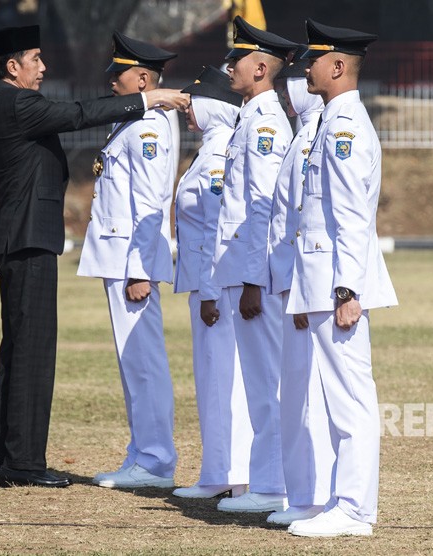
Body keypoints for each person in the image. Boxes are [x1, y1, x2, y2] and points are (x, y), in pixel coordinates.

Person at [0, 25, 189, 488]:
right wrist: (149, 100)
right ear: (13, 67)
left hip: (24, 236)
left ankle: (5, 458)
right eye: (35, 58)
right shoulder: (15, 101)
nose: (44, 66)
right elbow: (75, 114)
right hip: (27, 238)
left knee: (19, 351)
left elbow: (152, 197)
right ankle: (24, 464)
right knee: (30, 353)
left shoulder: (4, 99)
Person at [285, 19, 398, 537]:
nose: (306, 66)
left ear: (337, 66)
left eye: (314, 58)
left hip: (336, 282)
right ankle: (340, 501)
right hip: (324, 279)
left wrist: (347, 289)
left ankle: (354, 509)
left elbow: (351, 215)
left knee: (350, 397)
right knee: (333, 396)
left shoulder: (346, 125)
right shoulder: (332, 120)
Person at [199, 16, 296, 513]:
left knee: (267, 387)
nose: (228, 67)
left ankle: (272, 486)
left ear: (260, 67)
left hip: (253, 273)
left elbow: (261, 207)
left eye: (236, 59)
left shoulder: (262, 123)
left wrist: (255, 278)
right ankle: (266, 483)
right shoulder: (251, 117)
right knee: (259, 387)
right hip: (241, 269)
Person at [76, 31, 179, 489]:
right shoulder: (132, 121)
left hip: (130, 262)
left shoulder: (149, 126)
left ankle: (155, 460)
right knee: (132, 361)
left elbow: (152, 199)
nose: (111, 83)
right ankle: (143, 453)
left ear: (141, 78)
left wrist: (140, 267)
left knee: (143, 361)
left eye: (117, 75)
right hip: (120, 257)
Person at [171, 66, 254, 499]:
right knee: (212, 382)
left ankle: (233, 474)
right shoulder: (210, 150)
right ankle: (217, 470)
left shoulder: (219, 155)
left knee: (225, 382)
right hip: (209, 287)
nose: (187, 109)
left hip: (216, 290)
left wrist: (207, 292)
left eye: (194, 101)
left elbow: (218, 231)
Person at [265, 47, 335, 527]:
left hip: (311, 279)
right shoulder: (304, 134)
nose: (292, 90)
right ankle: (305, 493)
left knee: (311, 394)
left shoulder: (320, 132)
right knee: (294, 393)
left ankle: (319, 494)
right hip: (295, 280)